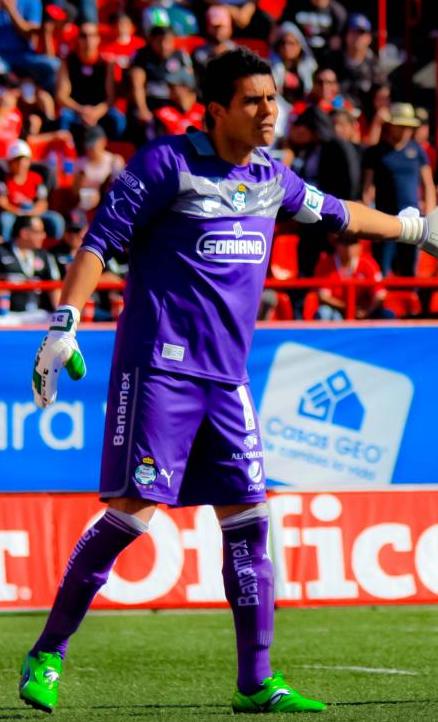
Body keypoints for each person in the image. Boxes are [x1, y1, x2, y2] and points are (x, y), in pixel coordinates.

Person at [20, 47, 438, 715]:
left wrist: (416, 229)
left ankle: (255, 682)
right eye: (253, 100)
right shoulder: (166, 165)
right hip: (160, 367)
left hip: (226, 379)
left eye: (272, 98)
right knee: (133, 514)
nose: (269, 110)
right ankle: (47, 655)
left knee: (250, 517)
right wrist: (63, 323)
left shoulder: (272, 177)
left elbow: (339, 213)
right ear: (215, 110)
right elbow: (98, 241)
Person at [362, 102, 436, 276]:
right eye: (400, 126)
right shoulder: (376, 152)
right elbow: (368, 187)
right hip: (385, 218)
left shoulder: (417, 150)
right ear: (391, 126)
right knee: (383, 268)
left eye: (408, 127)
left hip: (414, 221)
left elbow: (428, 184)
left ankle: (410, 302)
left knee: (410, 269)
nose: (405, 130)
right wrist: (366, 214)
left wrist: (430, 213)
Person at [313, 232, 395, 320]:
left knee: (387, 314)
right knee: (324, 312)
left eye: (353, 243)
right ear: (336, 244)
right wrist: (348, 308)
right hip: (338, 310)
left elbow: (380, 295)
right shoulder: (326, 264)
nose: (349, 247)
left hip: (364, 310)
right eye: (344, 243)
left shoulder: (369, 263)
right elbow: (324, 296)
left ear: (359, 246)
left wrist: (367, 311)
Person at [0, 139, 65, 242]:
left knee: (57, 219)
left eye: (24, 160)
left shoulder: (36, 178)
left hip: (33, 210)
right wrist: (18, 212)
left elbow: (42, 201)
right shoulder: (4, 180)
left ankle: (55, 250)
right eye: (17, 160)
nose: (21, 164)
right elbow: (2, 202)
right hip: (14, 212)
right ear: (10, 163)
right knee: (5, 220)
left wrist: (33, 211)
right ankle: (6, 249)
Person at [0, 214, 60, 314]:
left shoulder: (44, 255)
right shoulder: (2, 252)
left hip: (37, 314)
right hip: (8, 316)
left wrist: (60, 313)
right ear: (24, 233)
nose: (44, 236)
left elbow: (55, 288)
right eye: (39, 232)